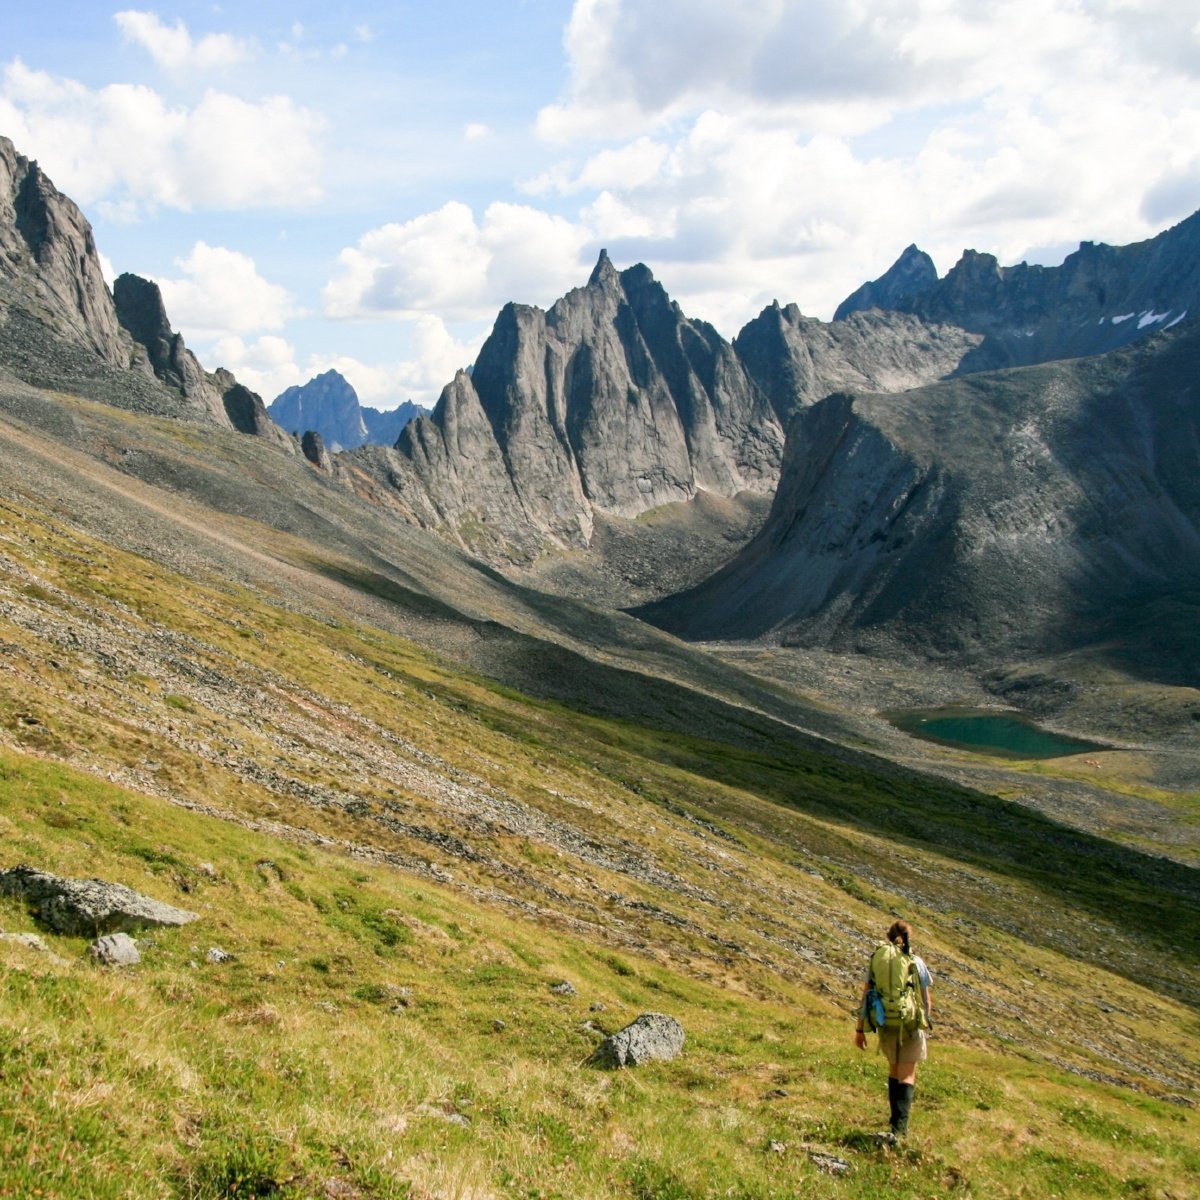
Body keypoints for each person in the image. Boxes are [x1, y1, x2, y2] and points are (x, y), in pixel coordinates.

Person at [854, 919, 933, 1140]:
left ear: (888, 936)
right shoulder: (915, 961)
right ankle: (899, 1129)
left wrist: (859, 1030)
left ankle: (893, 1121)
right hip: (909, 1024)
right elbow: (926, 999)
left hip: (886, 1023)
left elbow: (867, 994)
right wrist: (925, 1021)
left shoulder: (878, 959)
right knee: (907, 1074)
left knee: (894, 1070)